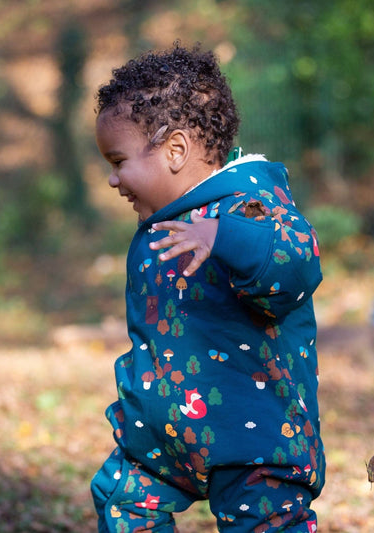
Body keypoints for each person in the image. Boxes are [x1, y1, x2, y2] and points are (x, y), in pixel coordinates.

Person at [90, 44, 325, 533]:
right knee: (122, 499)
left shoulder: (252, 201)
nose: (112, 180)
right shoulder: (162, 225)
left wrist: (224, 235)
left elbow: (296, 264)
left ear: (175, 150)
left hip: (254, 438)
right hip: (165, 438)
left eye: (118, 160)